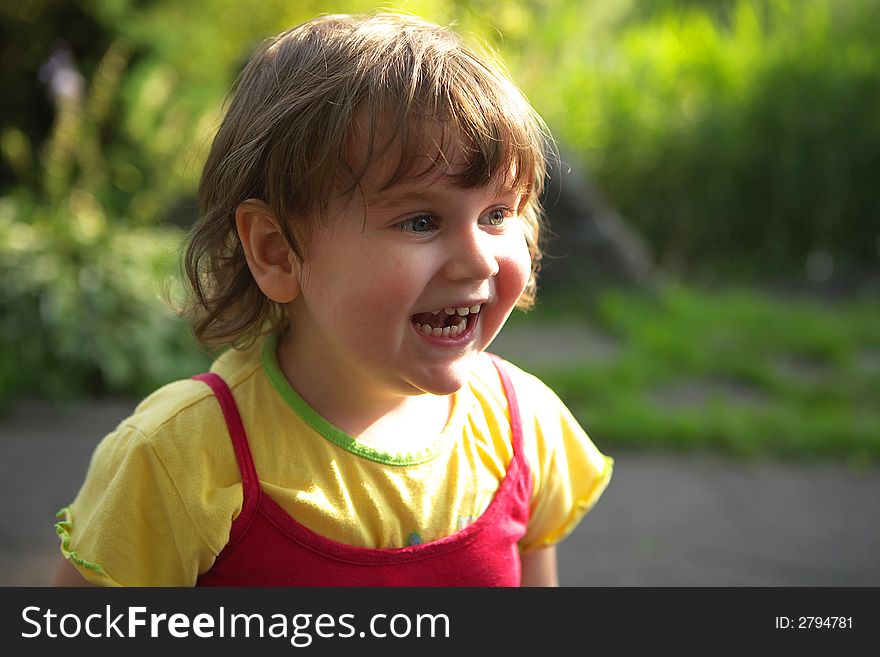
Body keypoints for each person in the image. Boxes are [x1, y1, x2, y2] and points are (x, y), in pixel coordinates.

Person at [52, 12, 613, 587]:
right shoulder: (179, 458)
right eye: (421, 220)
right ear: (277, 252)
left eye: (498, 215)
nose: (479, 260)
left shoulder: (524, 426)